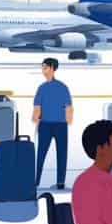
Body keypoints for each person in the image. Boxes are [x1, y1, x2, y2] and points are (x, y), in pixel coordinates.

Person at [33, 57, 73, 190]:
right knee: (61, 153)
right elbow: (68, 107)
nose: (43, 70)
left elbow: (37, 108)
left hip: (47, 125)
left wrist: (35, 119)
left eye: (45, 67)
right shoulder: (62, 87)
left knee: (41, 153)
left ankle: (36, 181)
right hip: (60, 125)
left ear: (52, 69)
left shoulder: (42, 88)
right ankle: (60, 182)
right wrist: (68, 121)